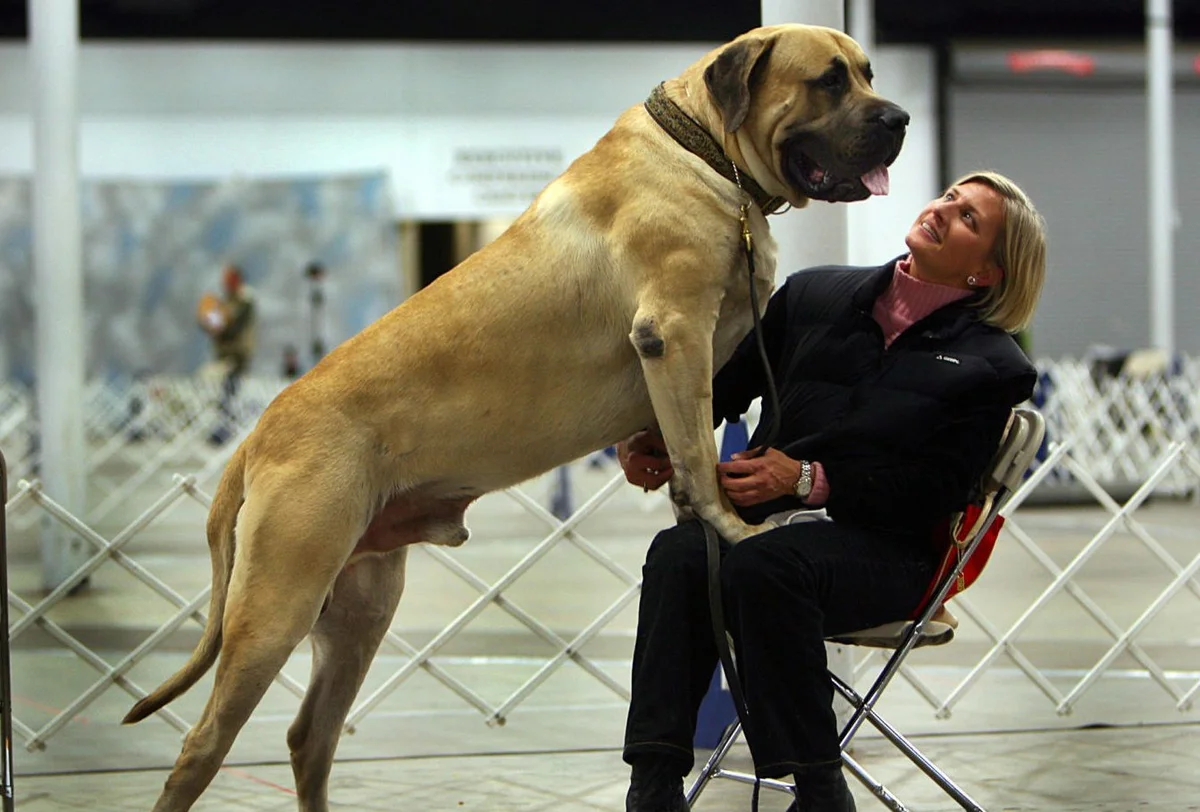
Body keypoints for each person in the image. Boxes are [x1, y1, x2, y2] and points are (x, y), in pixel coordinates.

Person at [617, 170, 1047, 812]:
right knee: (683, 553)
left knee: (766, 567)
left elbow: (934, 493)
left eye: (969, 221)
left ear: (986, 273)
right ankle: (653, 783)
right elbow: (722, 388)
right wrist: (654, 434)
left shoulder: (995, 367)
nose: (944, 210)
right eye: (950, 197)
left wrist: (808, 480)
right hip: (769, 534)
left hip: (890, 551)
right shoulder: (813, 295)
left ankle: (819, 789)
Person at [202, 264, 257, 444]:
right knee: (225, 390)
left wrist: (217, 322)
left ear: (236, 279)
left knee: (231, 390)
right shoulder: (227, 299)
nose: (224, 283)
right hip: (225, 353)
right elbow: (217, 324)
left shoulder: (244, 299)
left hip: (238, 353)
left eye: (228, 279)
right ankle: (224, 427)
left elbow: (232, 323)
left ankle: (229, 429)